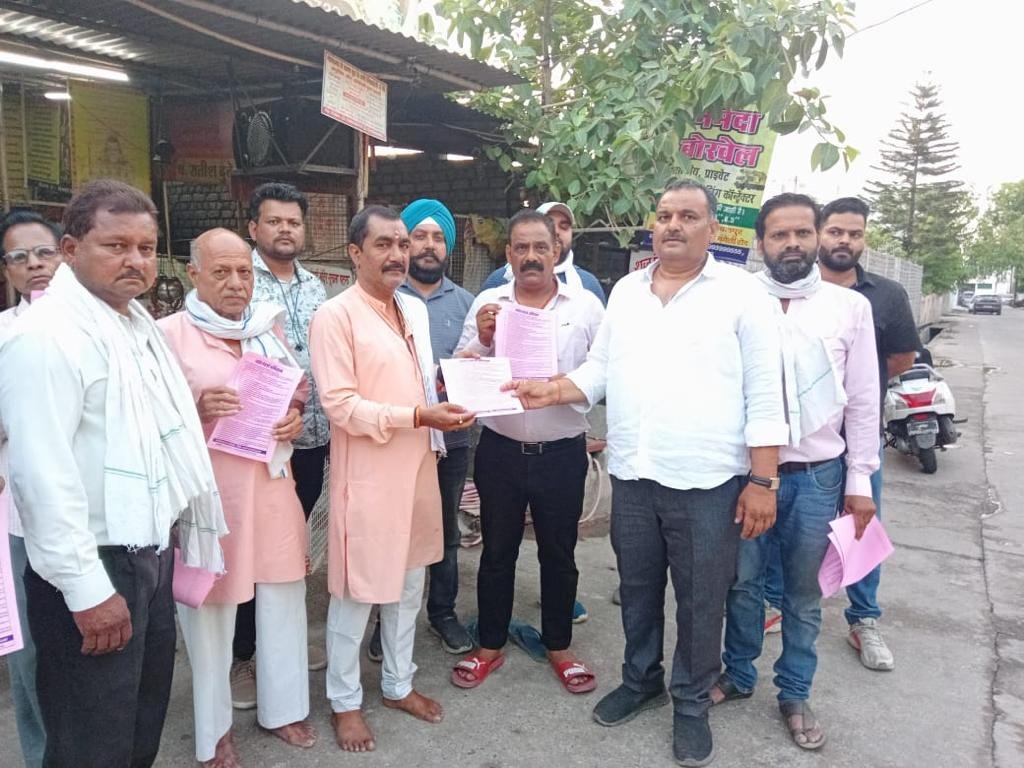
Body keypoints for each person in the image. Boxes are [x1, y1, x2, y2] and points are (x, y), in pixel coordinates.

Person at [504, 180, 788, 766]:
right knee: (636, 588)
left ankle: (691, 702)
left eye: (688, 216)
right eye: (663, 215)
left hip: (708, 481)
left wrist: (764, 481)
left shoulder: (743, 295)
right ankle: (641, 680)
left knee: (701, 600)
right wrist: (554, 389)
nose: (673, 225)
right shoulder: (628, 291)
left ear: (713, 229)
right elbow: (600, 367)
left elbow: (766, 392)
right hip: (634, 474)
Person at [0, 179, 225, 768]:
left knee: (137, 729)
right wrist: (87, 590)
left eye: (146, 248)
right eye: (116, 245)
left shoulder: (134, 326)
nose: (135, 261)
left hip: (147, 554)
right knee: (89, 743)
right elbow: (41, 477)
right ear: (70, 250)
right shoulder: (45, 338)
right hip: (93, 566)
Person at [713, 193, 879, 751]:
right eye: (779, 234)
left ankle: (795, 692)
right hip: (747, 474)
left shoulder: (848, 308)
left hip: (817, 475)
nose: (792, 244)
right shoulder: (736, 301)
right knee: (741, 583)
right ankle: (738, 674)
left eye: (802, 233)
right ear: (760, 242)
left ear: (817, 237)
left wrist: (860, 481)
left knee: (803, 595)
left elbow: (863, 400)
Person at [309, 205, 474, 753]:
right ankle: (345, 701)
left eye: (402, 244)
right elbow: (339, 405)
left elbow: (422, 382)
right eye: (384, 244)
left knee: (407, 586)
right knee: (357, 592)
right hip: (369, 475)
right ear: (355, 253)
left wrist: (451, 395)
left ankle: (398, 684)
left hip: (419, 464)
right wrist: (418, 416)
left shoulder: (413, 310)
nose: (398, 255)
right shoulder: (336, 315)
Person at [159, 229, 317, 767]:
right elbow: (145, 419)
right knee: (211, 614)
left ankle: (284, 709)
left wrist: (294, 417)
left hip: (271, 485)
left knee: (283, 595)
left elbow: (296, 389)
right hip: (211, 496)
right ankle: (215, 732)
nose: (235, 283)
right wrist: (197, 409)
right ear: (193, 274)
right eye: (221, 272)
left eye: (244, 272)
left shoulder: (267, 327)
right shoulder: (168, 335)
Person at [450, 209, 604, 694]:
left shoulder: (585, 306)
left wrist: (561, 388)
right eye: (521, 247)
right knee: (497, 552)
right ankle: (489, 645)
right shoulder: (488, 303)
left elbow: (603, 371)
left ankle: (559, 646)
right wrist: (484, 340)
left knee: (559, 553)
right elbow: (461, 369)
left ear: (557, 251)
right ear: (508, 254)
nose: (531, 256)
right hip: (500, 450)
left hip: (561, 453)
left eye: (541, 247)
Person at [234, 182, 328, 708]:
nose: (285, 230)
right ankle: (242, 656)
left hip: (312, 439)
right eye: (274, 221)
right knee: (252, 550)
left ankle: (282, 642)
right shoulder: (238, 278)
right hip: (259, 445)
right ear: (254, 228)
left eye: (293, 222)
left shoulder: (316, 287)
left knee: (292, 548)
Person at [818, 196, 919, 670]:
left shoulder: (887, 295)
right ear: (820, 233)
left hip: (860, 435)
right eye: (836, 231)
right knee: (786, 521)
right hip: (803, 438)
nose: (845, 241)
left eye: (854, 234)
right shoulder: (795, 288)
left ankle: (863, 618)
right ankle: (773, 603)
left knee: (859, 522)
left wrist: (858, 390)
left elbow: (901, 358)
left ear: (864, 240)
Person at [395, 198, 475, 655]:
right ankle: (387, 621)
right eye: (419, 236)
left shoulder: (466, 303)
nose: (429, 245)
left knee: (446, 530)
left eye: (438, 237)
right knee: (396, 530)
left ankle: (442, 613)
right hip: (399, 439)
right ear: (404, 243)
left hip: (452, 440)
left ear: (449, 246)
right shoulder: (386, 299)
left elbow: (481, 365)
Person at [0, 210, 62, 768]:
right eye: (19, 257)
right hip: (19, 517)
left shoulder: (100, 325)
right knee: (30, 651)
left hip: (92, 516)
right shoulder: (3, 334)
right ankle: (43, 756)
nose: (34, 265)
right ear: (7, 270)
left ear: (65, 255)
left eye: (44, 253)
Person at [480, 201, 606, 306]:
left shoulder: (588, 284)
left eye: (564, 226)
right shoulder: (498, 280)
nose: (556, 232)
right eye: (549, 224)